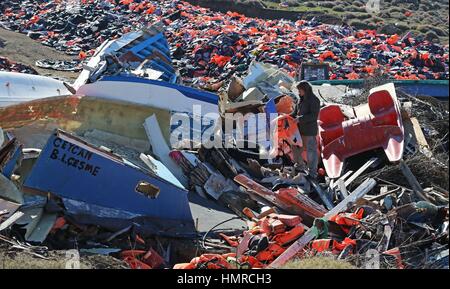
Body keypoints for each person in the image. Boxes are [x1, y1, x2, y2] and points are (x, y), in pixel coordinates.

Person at [290, 80, 321, 179]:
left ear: (305, 90)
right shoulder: (300, 100)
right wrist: (286, 117)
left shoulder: (314, 100)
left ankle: (312, 173)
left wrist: (300, 119)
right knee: (295, 148)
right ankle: (300, 166)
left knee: (311, 151)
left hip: (309, 131)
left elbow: (313, 116)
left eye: (300, 90)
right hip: (299, 130)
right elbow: (295, 113)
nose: (299, 92)